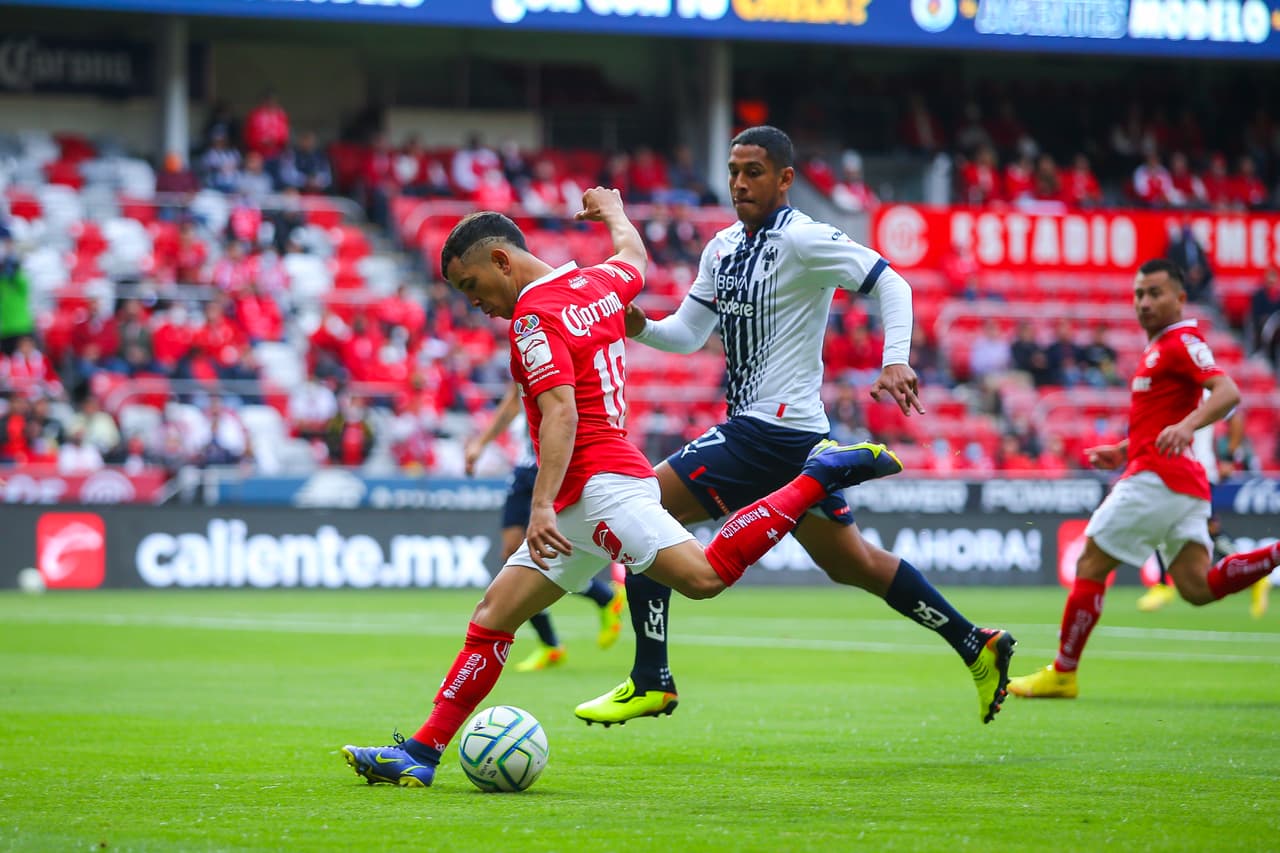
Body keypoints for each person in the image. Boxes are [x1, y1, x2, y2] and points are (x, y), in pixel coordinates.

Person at [340, 189, 902, 787]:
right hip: (580, 498)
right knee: (493, 615)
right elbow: (634, 257)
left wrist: (538, 505)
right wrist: (614, 213)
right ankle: (421, 753)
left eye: (471, 285)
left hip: (602, 487)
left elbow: (561, 413)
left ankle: (821, 473)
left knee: (702, 578)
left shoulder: (532, 318)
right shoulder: (599, 283)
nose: (473, 302)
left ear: (502, 261)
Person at [572, 127, 1016, 730]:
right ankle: (974, 642)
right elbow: (690, 334)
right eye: (733, 171)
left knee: (642, 509)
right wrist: (643, 326)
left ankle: (652, 679)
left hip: (767, 431)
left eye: (753, 172)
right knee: (852, 563)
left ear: (785, 179)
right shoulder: (721, 248)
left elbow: (892, 280)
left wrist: (895, 358)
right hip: (798, 441)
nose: (739, 183)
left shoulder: (804, 238)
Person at [1008, 260, 1279, 699]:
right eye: (1139, 294)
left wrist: (1188, 426)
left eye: (1155, 293)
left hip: (1158, 476)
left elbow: (1227, 391)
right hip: (1180, 480)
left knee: (1090, 564)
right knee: (1197, 587)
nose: (1145, 302)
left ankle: (1063, 672)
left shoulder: (1181, 342)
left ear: (1180, 298)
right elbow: (1161, 417)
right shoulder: (1160, 347)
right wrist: (1123, 448)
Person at [463, 380, 627, 671]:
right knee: (511, 554)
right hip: (525, 466)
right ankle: (558, 639)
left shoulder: (564, 362)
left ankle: (600, 601)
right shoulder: (523, 358)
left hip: (554, 464)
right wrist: (481, 443)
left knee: (549, 552)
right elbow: (512, 403)